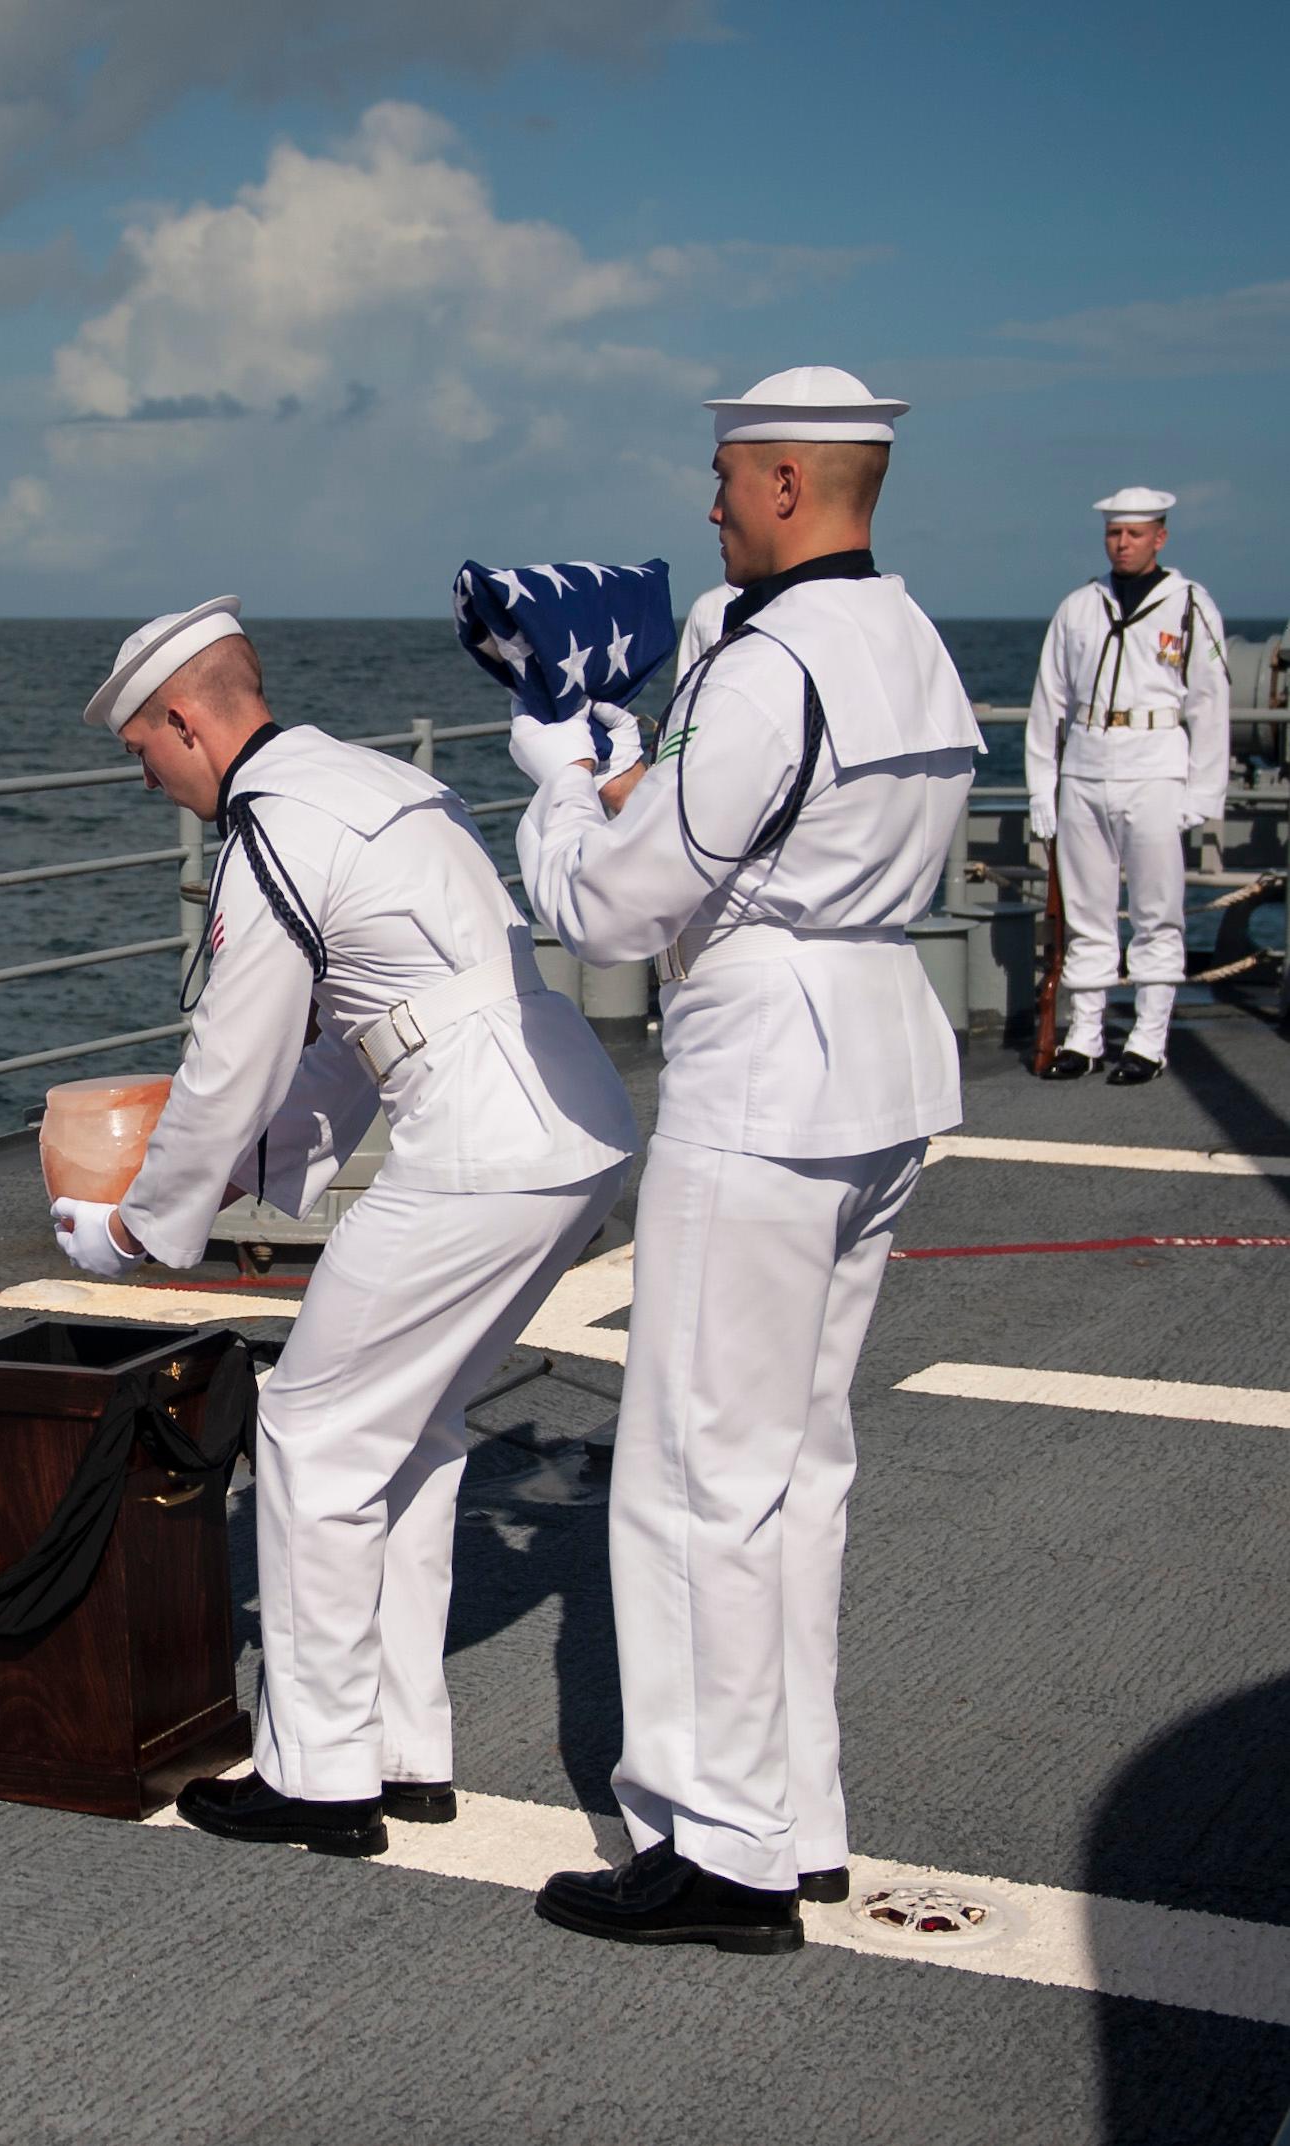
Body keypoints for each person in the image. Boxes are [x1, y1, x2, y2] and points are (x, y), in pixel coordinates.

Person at [517, 367, 982, 1952]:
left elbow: (617, 904)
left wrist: (560, 780)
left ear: (786, 483)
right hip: (879, 1050)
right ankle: (795, 1813)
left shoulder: (773, 659)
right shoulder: (907, 637)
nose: (705, 505)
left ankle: (715, 1850)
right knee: (800, 1462)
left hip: (764, 1071)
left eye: (723, 478)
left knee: (693, 1472)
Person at [53, 600, 636, 1854]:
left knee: (313, 1426)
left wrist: (143, 1231)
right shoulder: (377, 780)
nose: (143, 774)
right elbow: (366, 1028)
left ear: (186, 719)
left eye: (141, 749)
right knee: (408, 1427)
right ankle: (398, 1745)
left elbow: (232, 1054)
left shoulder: (267, 828)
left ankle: (316, 1773)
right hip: (560, 1114)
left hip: (479, 1143)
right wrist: (257, 1177)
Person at [1026, 487, 1230, 1082]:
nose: (1123, 543)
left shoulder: (1189, 605)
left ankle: (1147, 1038)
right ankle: (1084, 1035)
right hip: (1085, 768)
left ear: (1159, 538)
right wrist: (1042, 786)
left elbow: (1211, 704)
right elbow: (1050, 702)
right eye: (1115, 533)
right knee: (1087, 914)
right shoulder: (1079, 607)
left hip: (1156, 767)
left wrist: (1202, 793)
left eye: (1135, 533)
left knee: (1155, 911)